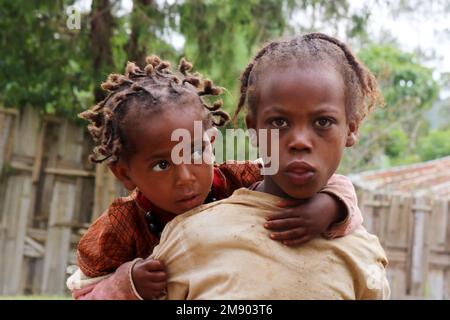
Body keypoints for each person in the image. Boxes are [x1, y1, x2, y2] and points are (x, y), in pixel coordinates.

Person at [67, 54, 363, 300]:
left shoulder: (236, 180)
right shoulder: (120, 228)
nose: (185, 178)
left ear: (211, 141)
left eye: (194, 153)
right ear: (125, 174)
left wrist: (330, 204)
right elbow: (83, 294)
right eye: (161, 165)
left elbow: (312, 175)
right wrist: (126, 284)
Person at [149, 33, 390, 299]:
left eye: (322, 122)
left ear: (351, 129)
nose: (300, 141)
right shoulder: (192, 238)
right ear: (253, 130)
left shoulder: (362, 255)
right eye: (279, 122)